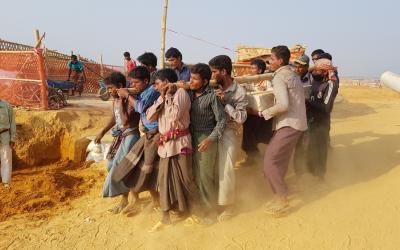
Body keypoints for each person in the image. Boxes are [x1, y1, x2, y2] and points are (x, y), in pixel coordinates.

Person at [146, 68, 199, 231]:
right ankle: (165, 217)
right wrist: (162, 97)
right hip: (165, 146)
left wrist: (168, 96)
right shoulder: (161, 97)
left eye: (157, 84)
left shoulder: (181, 93)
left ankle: (196, 211)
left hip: (180, 143)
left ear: (166, 83)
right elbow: (149, 117)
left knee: (186, 179)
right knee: (164, 181)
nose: (155, 87)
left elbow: (174, 116)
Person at [260, 46, 307, 216]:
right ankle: (279, 194)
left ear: (280, 60)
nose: (269, 62)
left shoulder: (280, 77)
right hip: (298, 122)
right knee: (281, 161)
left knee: (270, 161)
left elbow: (283, 105)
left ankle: (282, 199)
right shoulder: (293, 74)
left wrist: (263, 112)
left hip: (289, 123)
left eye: (271, 59)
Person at [110, 66, 161, 214]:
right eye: (131, 83)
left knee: (148, 170)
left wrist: (127, 96)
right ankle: (135, 201)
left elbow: (140, 107)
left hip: (156, 135)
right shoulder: (141, 92)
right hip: (148, 135)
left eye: (136, 83)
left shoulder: (151, 91)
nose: (133, 86)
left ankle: (155, 202)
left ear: (146, 81)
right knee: (135, 168)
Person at [94, 72, 141, 213]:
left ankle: (134, 200)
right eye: (107, 88)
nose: (109, 91)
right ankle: (125, 199)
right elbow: (114, 118)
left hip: (131, 137)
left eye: (110, 88)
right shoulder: (115, 100)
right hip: (120, 138)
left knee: (126, 169)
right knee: (110, 166)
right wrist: (102, 132)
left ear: (120, 86)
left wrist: (121, 101)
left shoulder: (129, 99)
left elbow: (126, 121)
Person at [209, 55, 248, 221]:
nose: (211, 74)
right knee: (210, 168)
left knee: (226, 169)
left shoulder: (239, 91)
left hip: (229, 132)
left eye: (214, 71)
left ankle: (228, 206)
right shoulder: (210, 86)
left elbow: (241, 117)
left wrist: (225, 103)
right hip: (210, 133)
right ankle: (210, 203)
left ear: (223, 72)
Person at [188, 63, 226, 222]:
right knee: (195, 175)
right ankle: (200, 208)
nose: (191, 81)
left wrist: (210, 139)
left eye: (195, 79)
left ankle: (211, 213)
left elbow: (222, 121)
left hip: (206, 139)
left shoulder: (212, 96)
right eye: (190, 78)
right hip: (190, 138)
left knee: (206, 177)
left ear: (204, 82)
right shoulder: (187, 93)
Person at [305, 58, 339, 178]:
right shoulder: (314, 80)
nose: (314, 72)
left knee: (319, 149)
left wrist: (307, 101)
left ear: (325, 72)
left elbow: (326, 108)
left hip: (321, 123)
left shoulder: (330, 85)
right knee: (309, 147)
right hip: (310, 120)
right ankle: (309, 173)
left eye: (318, 70)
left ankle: (320, 176)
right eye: (314, 69)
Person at [241, 59, 274, 166]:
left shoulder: (267, 82)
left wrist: (263, 90)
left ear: (260, 70)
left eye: (253, 68)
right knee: (248, 138)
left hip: (261, 115)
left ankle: (263, 160)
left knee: (262, 138)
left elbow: (270, 96)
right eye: (250, 68)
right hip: (250, 114)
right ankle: (252, 158)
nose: (251, 70)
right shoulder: (248, 81)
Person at [0, 99, 16, 189]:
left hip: (4, 135)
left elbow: (12, 123)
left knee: (6, 158)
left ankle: (5, 181)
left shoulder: (7, 106)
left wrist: (12, 138)